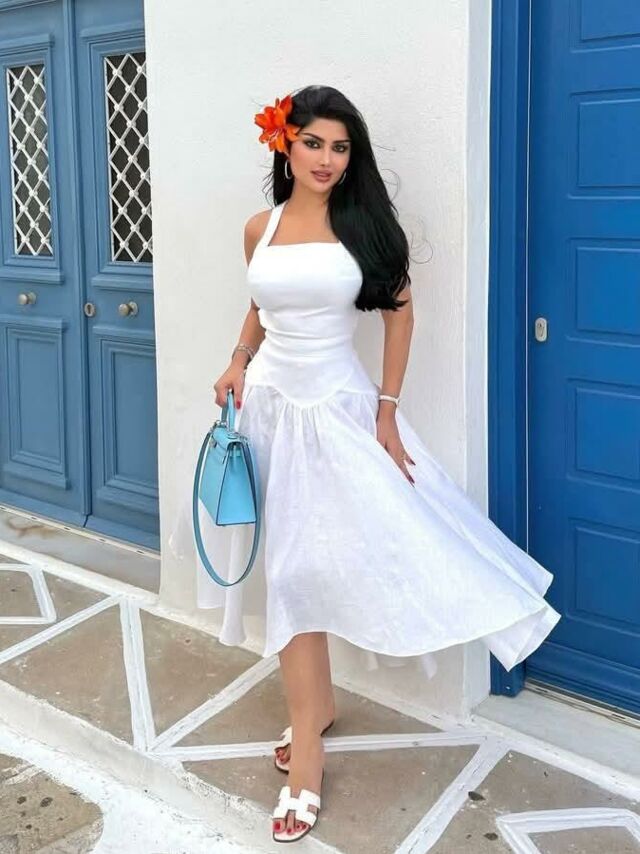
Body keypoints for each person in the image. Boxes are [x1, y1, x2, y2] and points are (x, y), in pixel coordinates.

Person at [169, 84, 561, 844]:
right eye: (313, 142)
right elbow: (260, 305)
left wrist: (386, 410)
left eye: (340, 147)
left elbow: (400, 312)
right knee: (287, 570)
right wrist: (237, 359)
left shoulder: (365, 229)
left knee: (323, 565)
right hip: (268, 412)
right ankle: (315, 711)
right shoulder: (259, 228)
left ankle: (307, 759)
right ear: (285, 144)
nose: (326, 158)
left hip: (337, 414)